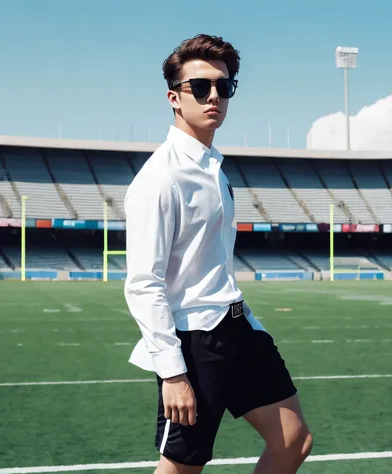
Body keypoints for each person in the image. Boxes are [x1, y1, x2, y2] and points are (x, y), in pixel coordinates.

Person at [124, 33, 313, 474]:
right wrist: (173, 374)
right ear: (174, 97)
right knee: (182, 468)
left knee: (293, 440)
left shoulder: (213, 168)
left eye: (224, 87)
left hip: (236, 325)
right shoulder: (161, 179)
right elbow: (143, 283)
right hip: (194, 341)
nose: (215, 97)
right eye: (201, 87)